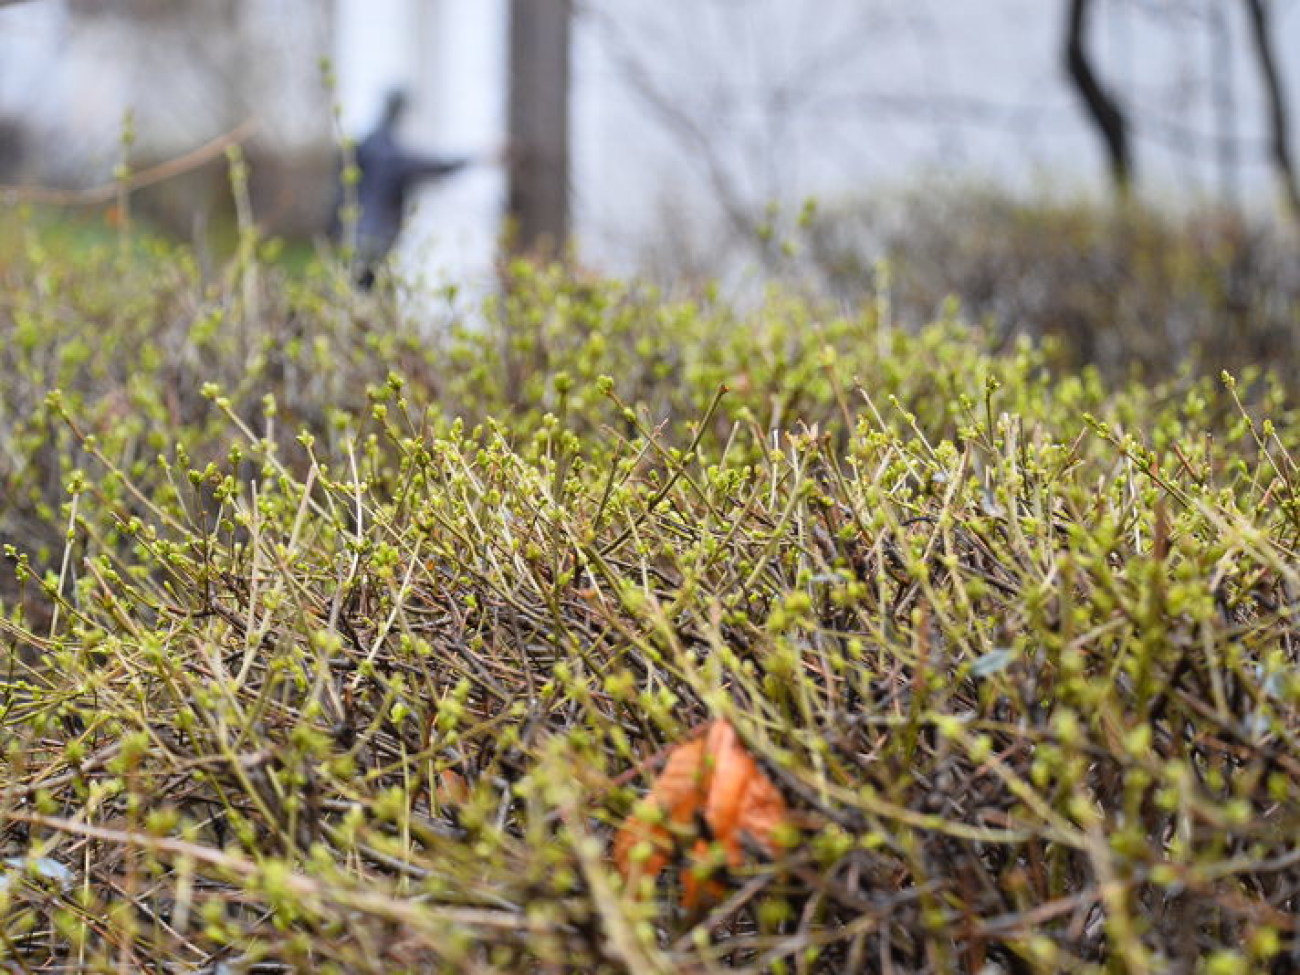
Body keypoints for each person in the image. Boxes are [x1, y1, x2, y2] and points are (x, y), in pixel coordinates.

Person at [332, 90, 473, 290]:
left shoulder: (365, 145)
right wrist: (476, 159)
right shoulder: (387, 152)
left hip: (354, 233)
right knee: (371, 297)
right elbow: (429, 166)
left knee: (354, 294)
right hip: (374, 238)